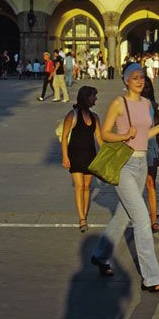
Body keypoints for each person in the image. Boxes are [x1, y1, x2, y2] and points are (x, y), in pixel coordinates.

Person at [90, 64, 159, 294]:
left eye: (142, 77)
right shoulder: (118, 103)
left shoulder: (147, 105)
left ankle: (100, 255)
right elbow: (104, 133)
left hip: (142, 163)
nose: (139, 81)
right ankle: (151, 278)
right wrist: (124, 135)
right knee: (142, 218)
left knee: (123, 216)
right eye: (134, 77)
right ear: (125, 80)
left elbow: (146, 133)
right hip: (124, 163)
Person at [61, 86, 102, 233]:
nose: (96, 99)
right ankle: (82, 218)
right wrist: (65, 156)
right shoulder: (72, 115)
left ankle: (84, 213)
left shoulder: (95, 117)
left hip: (90, 155)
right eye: (93, 96)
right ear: (86, 97)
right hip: (75, 155)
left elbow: (100, 139)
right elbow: (64, 137)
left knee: (86, 186)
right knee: (79, 186)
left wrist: (110, 154)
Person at [141, 77, 159, 233]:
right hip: (135, 147)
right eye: (144, 86)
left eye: (149, 86)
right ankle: (140, 218)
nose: (146, 88)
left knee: (151, 183)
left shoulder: (154, 106)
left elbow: (158, 127)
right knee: (136, 186)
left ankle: (154, 219)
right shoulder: (131, 104)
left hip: (151, 146)